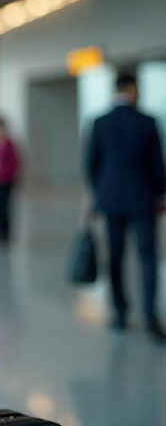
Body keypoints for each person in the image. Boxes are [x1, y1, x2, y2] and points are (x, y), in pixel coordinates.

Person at [86, 72, 166, 342]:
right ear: (133, 89)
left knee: (116, 257)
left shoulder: (100, 122)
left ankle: (120, 313)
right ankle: (150, 318)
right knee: (147, 259)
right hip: (142, 199)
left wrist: (99, 193)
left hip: (110, 200)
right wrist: (161, 194)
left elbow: (91, 164)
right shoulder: (148, 122)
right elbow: (157, 164)